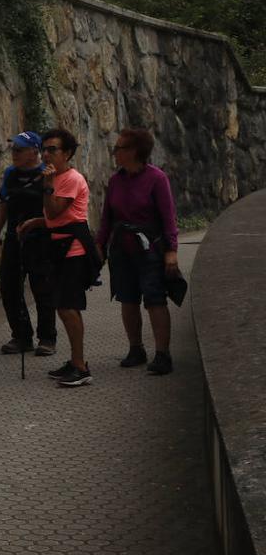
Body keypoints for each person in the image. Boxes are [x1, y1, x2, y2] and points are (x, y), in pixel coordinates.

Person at [16, 128, 99, 387]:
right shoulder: (58, 178)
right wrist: (35, 222)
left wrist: (48, 187)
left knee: (67, 306)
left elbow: (55, 213)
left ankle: (81, 366)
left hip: (73, 250)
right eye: (45, 149)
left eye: (53, 149)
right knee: (64, 306)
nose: (47, 154)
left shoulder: (71, 179)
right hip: (59, 247)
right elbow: (56, 218)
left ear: (68, 153)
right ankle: (75, 361)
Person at [95, 128, 180, 375]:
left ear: (134, 151)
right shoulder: (115, 180)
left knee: (155, 299)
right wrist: (100, 245)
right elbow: (106, 218)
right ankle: (136, 348)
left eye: (119, 148)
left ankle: (163, 354)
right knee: (127, 299)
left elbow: (168, 217)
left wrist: (171, 250)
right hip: (122, 249)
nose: (115, 153)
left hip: (150, 249)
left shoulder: (156, 178)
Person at [0, 131, 57, 356]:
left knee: (42, 288)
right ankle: (21, 336)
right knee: (9, 287)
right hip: (14, 239)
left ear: (34, 152)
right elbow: (3, 205)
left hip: (40, 240)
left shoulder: (47, 173)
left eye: (19, 150)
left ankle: (47, 338)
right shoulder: (10, 174)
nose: (14, 154)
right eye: (13, 149)